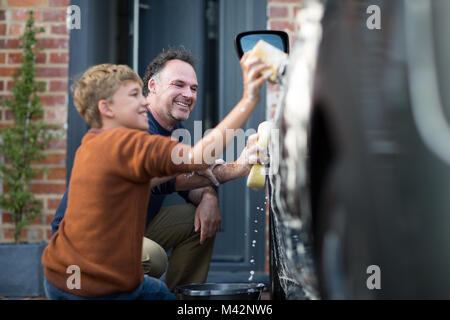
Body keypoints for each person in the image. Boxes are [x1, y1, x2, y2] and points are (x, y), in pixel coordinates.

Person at [42, 55, 269, 299]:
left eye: (193, 88)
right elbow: (197, 159)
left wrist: (207, 189)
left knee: (160, 290)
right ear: (107, 109)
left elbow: (167, 177)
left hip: (59, 275)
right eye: (133, 96)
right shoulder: (131, 139)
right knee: (155, 263)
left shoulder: (96, 141)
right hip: (92, 270)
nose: (143, 103)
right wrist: (250, 99)